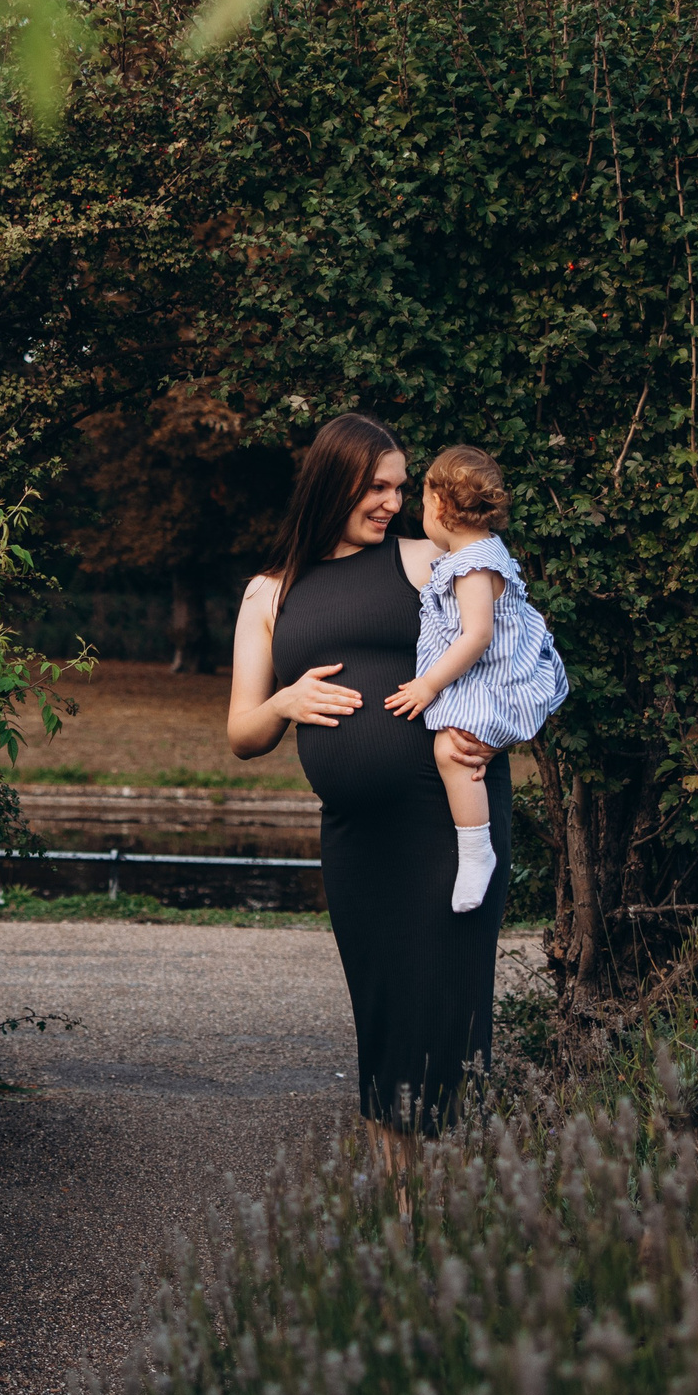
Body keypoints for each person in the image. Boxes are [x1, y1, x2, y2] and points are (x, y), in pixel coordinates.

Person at [225, 413, 513, 1151]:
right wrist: (285, 703)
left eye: (399, 487)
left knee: (445, 1008)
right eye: (377, 487)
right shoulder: (269, 593)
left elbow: (512, 643)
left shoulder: (427, 560)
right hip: (357, 839)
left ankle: (457, 1197)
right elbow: (242, 735)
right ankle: (399, 1204)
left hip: (446, 825)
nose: (393, 502)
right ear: (335, 482)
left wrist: (500, 726)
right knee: (383, 1012)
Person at [382, 447, 569, 912]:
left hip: (496, 681)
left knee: (451, 750)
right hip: (490, 675)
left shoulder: (472, 564)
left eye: (422, 501)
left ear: (439, 505)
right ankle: (474, 844)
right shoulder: (480, 551)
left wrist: (428, 685)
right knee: (458, 753)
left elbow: (478, 636)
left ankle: (476, 850)